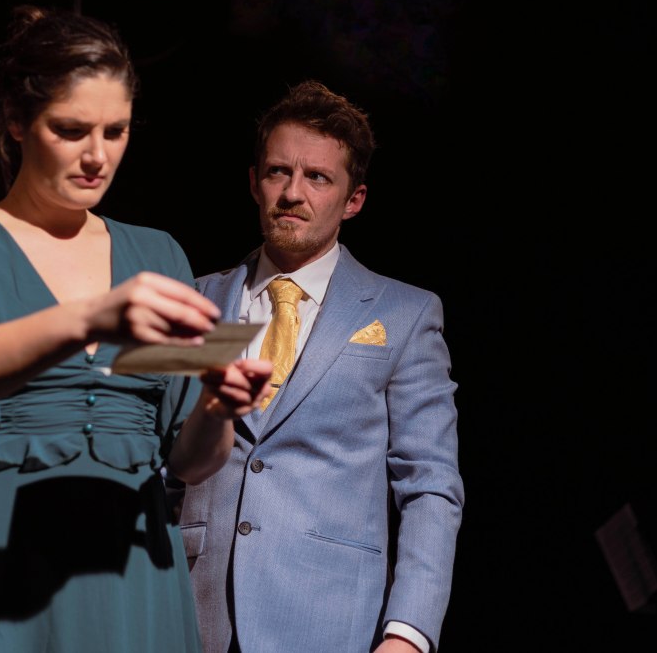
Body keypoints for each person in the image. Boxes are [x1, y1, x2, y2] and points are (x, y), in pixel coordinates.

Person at [0, 5, 271, 653]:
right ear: (16, 121)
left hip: (128, 569)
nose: (97, 156)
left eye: (116, 131)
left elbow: (189, 462)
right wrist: (89, 317)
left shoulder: (156, 254)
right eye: (71, 130)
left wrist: (218, 408)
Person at [174, 80, 464, 653]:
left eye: (318, 177)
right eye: (278, 172)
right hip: (190, 614)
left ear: (354, 200)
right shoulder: (197, 301)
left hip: (329, 620)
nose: (292, 193)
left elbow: (430, 484)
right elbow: (159, 460)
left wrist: (408, 634)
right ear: (253, 182)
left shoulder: (403, 314)